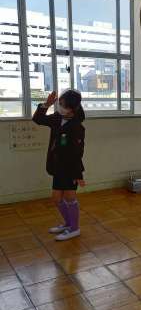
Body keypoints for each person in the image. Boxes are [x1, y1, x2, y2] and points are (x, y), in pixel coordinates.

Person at [33, 89, 85, 240]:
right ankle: (68, 224)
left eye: (63, 105)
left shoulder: (77, 127)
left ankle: (75, 228)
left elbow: (77, 153)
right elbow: (38, 119)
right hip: (57, 167)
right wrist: (46, 104)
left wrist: (78, 175)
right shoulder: (57, 118)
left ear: (73, 108)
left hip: (70, 169)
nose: (60, 107)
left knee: (70, 198)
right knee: (57, 198)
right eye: (60, 103)